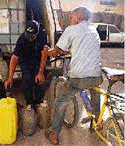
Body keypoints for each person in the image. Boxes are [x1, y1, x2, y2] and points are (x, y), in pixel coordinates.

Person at [44, 7, 103, 144]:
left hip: (78, 78)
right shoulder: (93, 29)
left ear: (79, 16)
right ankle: (96, 123)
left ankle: (54, 133)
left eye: (72, 17)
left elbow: (54, 52)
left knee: (61, 102)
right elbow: (83, 48)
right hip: (96, 75)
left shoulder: (71, 29)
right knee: (95, 95)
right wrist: (69, 52)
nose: (70, 20)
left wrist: (47, 51)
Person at [4, 20, 48, 110]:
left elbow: (44, 54)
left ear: (37, 32)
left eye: (33, 36)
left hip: (37, 59)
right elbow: (14, 58)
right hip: (25, 60)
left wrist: (40, 72)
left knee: (39, 80)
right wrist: (10, 78)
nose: (30, 38)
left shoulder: (43, 36)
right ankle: (29, 102)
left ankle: (38, 102)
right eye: (28, 36)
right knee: (27, 79)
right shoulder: (22, 39)